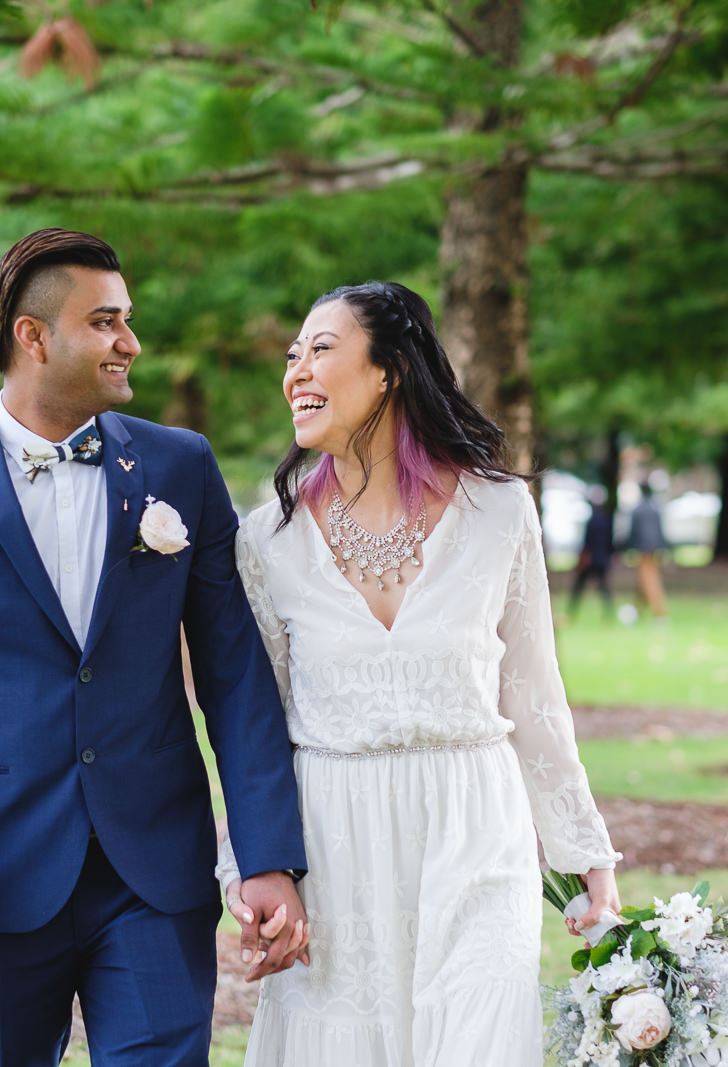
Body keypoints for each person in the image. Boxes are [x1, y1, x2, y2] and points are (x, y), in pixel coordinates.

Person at [0, 228, 309, 1067]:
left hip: (153, 873)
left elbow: (235, 674)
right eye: (105, 322)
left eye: (126, 319)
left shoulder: (181, 466)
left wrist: (266, 855)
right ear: (34, 336)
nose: (129, 342)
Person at [216, 281, 622, 1065]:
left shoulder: (500, 511)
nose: (296, 370)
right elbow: (250, 723)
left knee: (479, 1038)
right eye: (292, 354)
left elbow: (534, 692)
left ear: (390, 369)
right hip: (336, 840)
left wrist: (586, 854)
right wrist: (255, 868)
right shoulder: (267, 538)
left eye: (321, 348)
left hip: (476, 824)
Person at [626, 478, 670, 619]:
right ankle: (638, 611)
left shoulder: (637, 509)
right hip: (654, 549)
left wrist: (628, 547)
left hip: (643, 550)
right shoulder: (654, 508)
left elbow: (633, 531)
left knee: (649, 580)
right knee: (643, 580)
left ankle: (659, 612)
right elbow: (660, 530)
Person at [569, 484, 615, 619]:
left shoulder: (592, 520)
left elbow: (587, 542)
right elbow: (610, 542)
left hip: (591, 560)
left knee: (579, 588)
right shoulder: (607, 519)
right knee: (604, 588)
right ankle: (609, 613)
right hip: (601, 559)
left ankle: (572, 612)